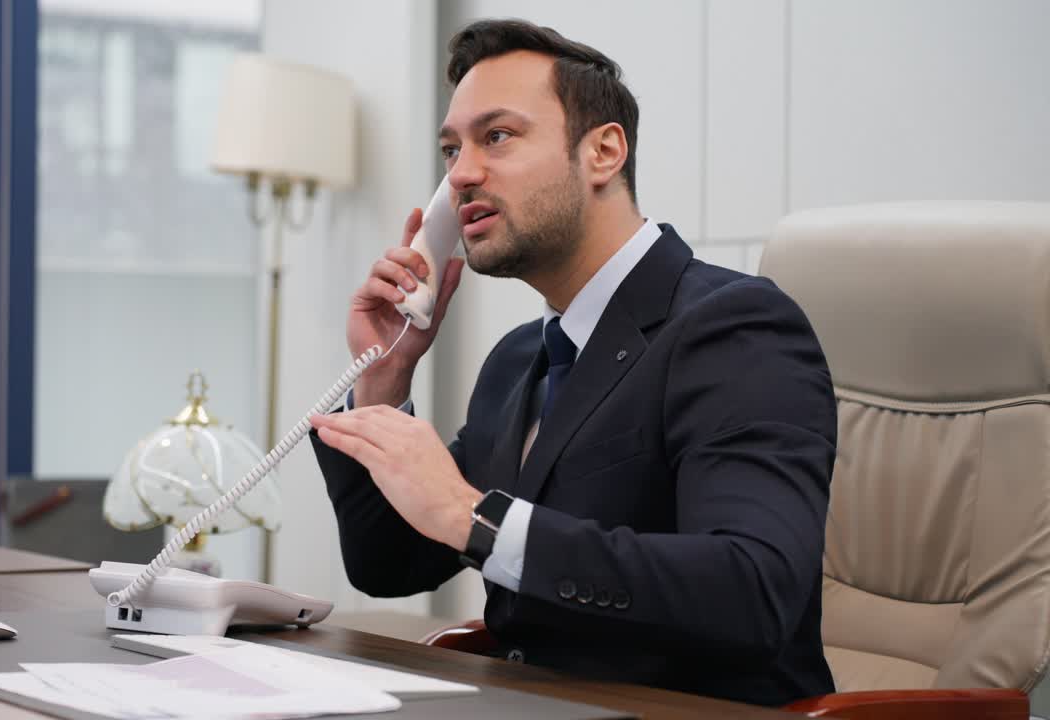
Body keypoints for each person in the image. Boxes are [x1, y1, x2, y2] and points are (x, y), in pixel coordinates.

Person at [308, 18, 836, 707]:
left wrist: (478, 517)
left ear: (604, 152)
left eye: (497, 136)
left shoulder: (733, 327)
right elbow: (387, 565)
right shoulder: (518, 359)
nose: (462, 174)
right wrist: (381, 380)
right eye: (451, 149)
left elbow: (753, 590)